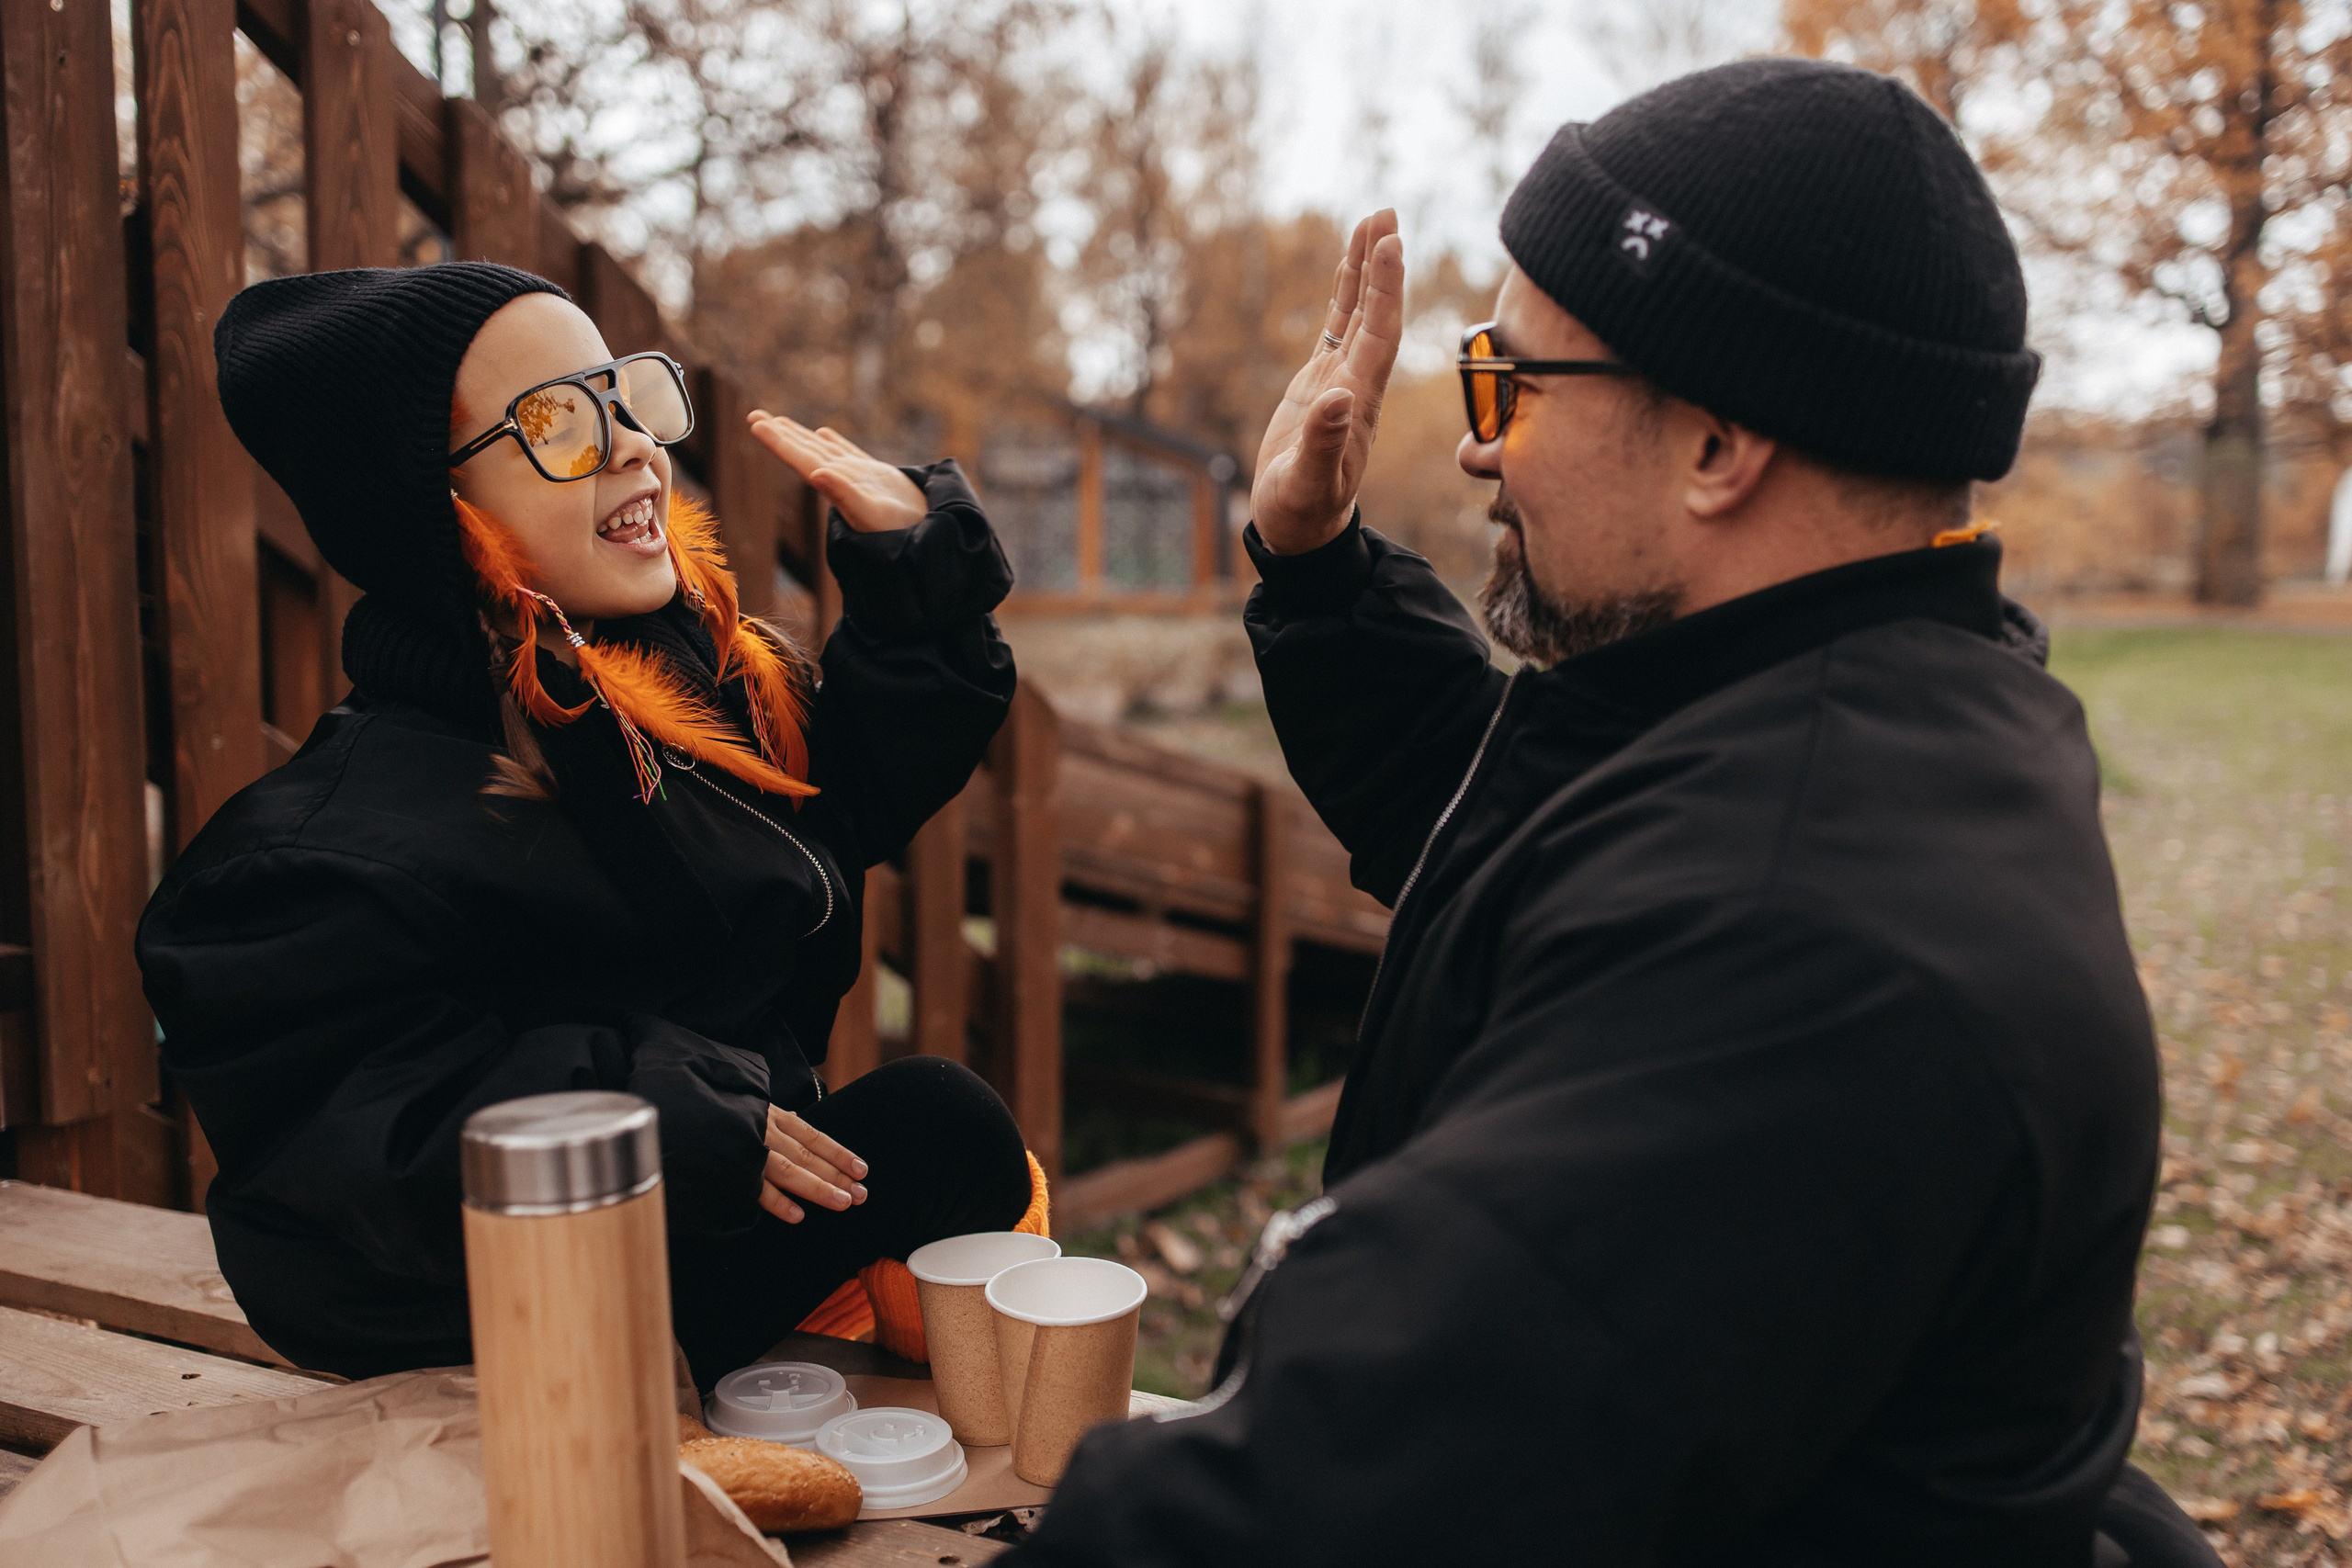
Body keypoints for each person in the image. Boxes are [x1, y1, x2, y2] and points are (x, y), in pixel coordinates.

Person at [1008, 60, 2215, 1568]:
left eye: (1512, 383)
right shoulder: (1865, 711)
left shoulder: (1796, 942)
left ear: (1717, 444)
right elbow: (1517, 820)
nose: (1475, 442)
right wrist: (1314, 566)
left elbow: (1334, 1495)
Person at [137, 263, 1038, 1387]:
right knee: (936, 1128)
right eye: (556, 422)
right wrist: (642, 1102)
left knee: (946, 1131)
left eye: (624, 398)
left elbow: (830, 802)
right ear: (429, 507)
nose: (629, 446)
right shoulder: (316, 858)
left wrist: (917, 589)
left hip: (687, 1218)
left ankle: (826, 1369)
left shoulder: (643, 696)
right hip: (487, 1314)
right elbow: (368, 1136)